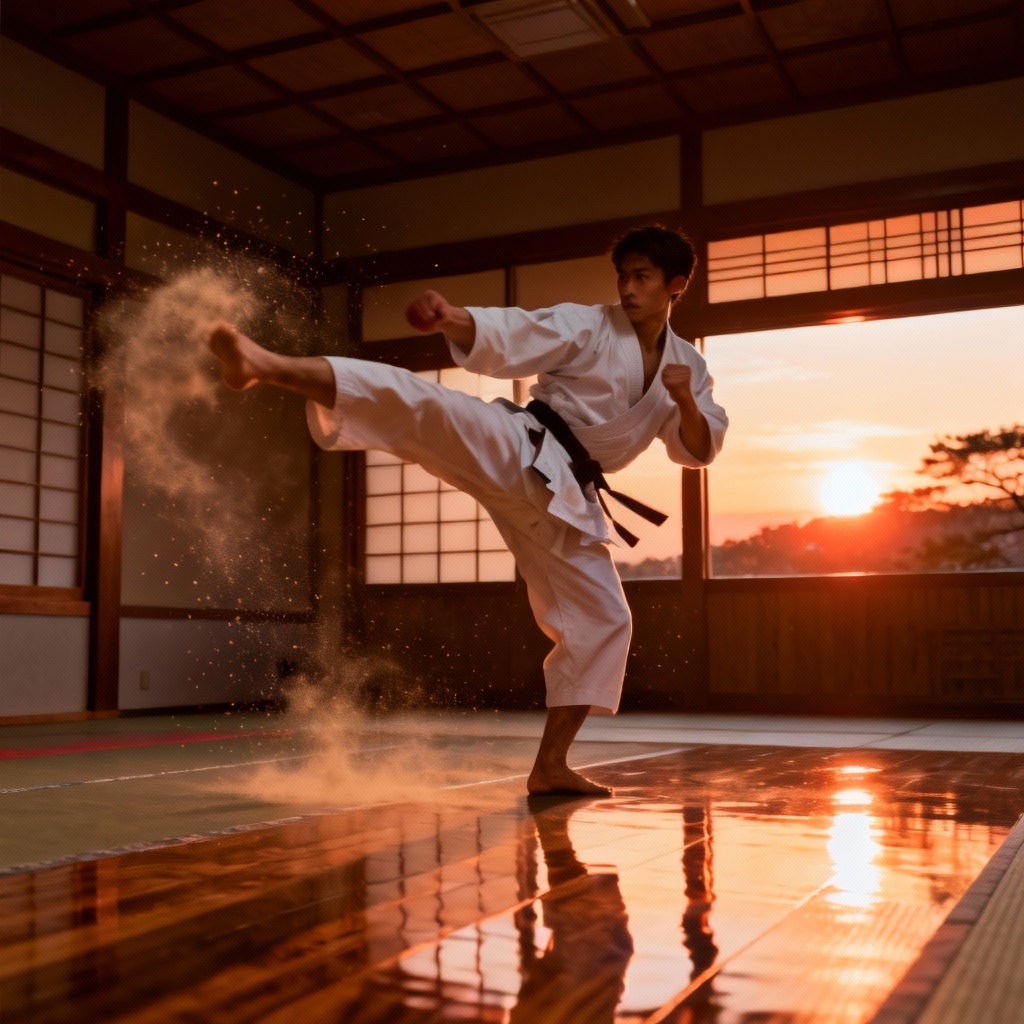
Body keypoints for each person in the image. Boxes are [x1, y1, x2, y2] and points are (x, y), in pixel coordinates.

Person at [206, 225, 727, 796]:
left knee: (606, 620)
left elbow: (697, 449)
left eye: (642, 277)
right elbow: (523, 332)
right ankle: (265, 364)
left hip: (569, 500)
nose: (627, 288)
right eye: (622, 276)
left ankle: (550, 766)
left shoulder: (688, 368)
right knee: (427, 405)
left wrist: (682, 399)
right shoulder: (591, 325)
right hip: (521, 444)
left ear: (675, 285)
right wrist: (452, 318)